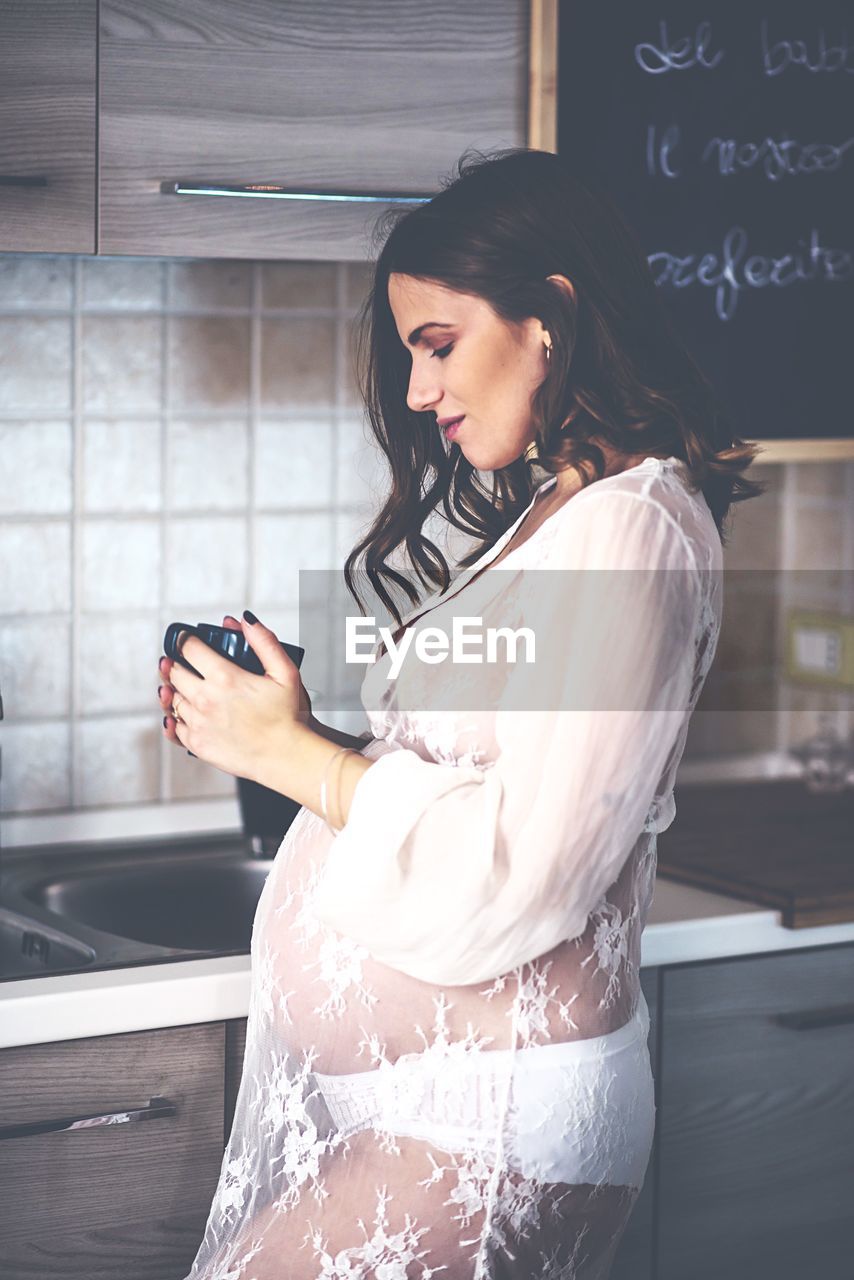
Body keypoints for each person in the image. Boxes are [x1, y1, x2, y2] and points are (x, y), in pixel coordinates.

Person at [159, 148, 763, 1279]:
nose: (417, 391)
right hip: (436, 1109)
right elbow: (482, 775)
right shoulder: (557, 512)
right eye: (408, 358)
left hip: (486, 1118)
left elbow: (522, 870)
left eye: (437, 346)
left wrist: (294, 757)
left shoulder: (631, 528)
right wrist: (304, 732)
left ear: (549, 319)